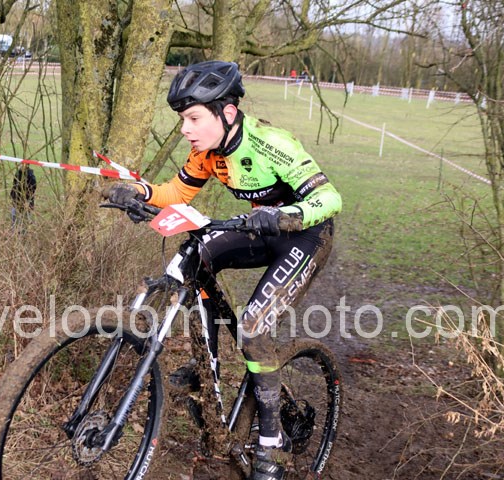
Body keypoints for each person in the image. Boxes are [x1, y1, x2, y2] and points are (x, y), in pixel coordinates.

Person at [106, 60, 342, 480]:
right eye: (183, 119)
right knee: (195, 254)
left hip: (306, 234)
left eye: (194, 118)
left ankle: (271, 443)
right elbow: (176, 192)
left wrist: (284, 215)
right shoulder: (207, 152)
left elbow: (330, 198)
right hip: (259, 227)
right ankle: (205, 368)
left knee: (252, 328)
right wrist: (138, 191)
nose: (185, 129)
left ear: (227, 113)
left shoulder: (271, 143)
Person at [10, 166, 36, 230]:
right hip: (16, 199)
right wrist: (13, 196)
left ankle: (23, 231)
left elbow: (32, 190)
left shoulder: (31, 176)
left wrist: (28, 201)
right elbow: (14, 186)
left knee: (25, 218)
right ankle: (14, 230)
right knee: (14, 215)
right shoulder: (18, 173)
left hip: (27, 201)